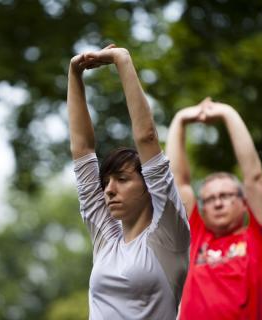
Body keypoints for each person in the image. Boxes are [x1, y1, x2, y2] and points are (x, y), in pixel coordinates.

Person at [67, 44, 190, 319]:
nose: (109, 190)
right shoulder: (106, 239)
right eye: (106, 182)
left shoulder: (169, 236)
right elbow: (82, 150)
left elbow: (146, 137)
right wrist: (75, 73)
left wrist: (121, 59)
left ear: (148, 187)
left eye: (122, 179)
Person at [167, 97, 262, 320]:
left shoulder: (261, 239)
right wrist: (180, 120)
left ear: (244, 203)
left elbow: (254, 177)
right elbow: (177, 182)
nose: (217, 203)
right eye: (209, 199)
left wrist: (227, 113)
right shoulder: (196, 237)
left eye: (226, 195)